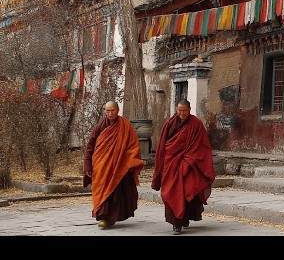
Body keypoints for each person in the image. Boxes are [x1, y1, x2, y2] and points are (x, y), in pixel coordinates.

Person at [152, 99, 216, 235]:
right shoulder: (170, 123)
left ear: (189, 109)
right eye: (179, 110)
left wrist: (189, 160)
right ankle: (176, 221)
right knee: (170, 192)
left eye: (184, 111)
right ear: (176, 109)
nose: (182, 113)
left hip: (189, 164)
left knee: (187, 191)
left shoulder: (196, 124)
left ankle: (180, 221)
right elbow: (163, 145)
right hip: (171, 164)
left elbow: (202, 146)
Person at [83, 100, 145, 229]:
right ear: (104, 111)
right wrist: (87, 165)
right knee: (101, 190)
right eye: (107, 110)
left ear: (118, 111)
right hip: (102, 166)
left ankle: (111, 217)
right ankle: (102, 216)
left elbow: (133, 146)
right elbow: (90, 146)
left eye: (112, 110)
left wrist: (131, 162)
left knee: (117, 193)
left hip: (119, 166)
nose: (110, 113)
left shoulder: (126, 126)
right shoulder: (100, 127)